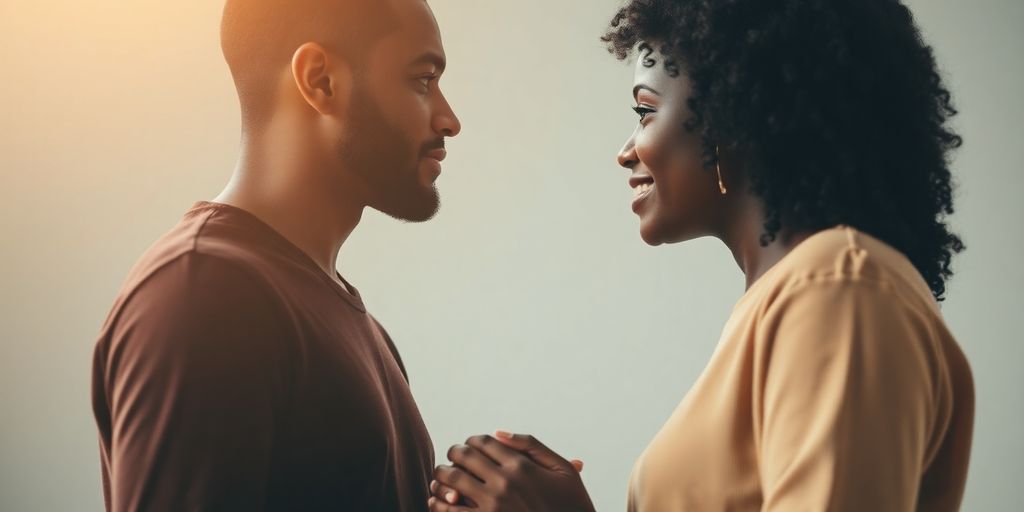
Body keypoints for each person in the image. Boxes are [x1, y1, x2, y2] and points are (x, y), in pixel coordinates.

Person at [429, 0, 974, 510]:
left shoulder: (838, 288)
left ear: (731, 113)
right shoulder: (793, 301)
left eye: (645, 111)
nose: (625, 152)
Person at [90, 0, 460, 509]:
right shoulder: (205, 293)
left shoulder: (358, 326)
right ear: (320, 80)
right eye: (423, 79)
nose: (450, 119)